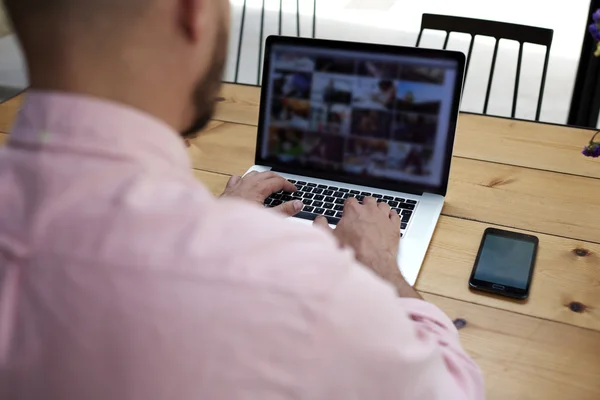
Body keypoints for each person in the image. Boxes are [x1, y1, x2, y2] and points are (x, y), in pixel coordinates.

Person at [0, 1, 484, 399]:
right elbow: (454, 391)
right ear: (194, 12)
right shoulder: (308, 286)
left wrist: (219, 220)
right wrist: (381, 265)